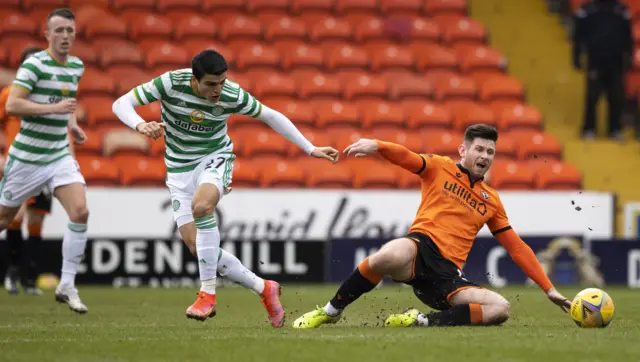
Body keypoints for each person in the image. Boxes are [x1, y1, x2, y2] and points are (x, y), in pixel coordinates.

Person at [111, 49, 339, 325]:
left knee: (202, 206)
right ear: (194, 80)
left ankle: (207, 295)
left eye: (221, 82)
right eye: (211, 84)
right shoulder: (170, 83)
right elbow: (121, 104)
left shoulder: (232, 94)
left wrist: (310, 148)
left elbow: (271, 116)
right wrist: (139, 124)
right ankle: (264, 288)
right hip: (178, 171)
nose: (218, 90)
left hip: (214, 158)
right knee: (198, 248)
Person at [292, 124, 572, 329]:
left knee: (500, 309)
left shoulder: (493, 201)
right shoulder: (440, 167)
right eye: (479, 149)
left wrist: (548, 289)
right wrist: (378, 145)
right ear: (464, 150)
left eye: (490, 151)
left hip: (447, 276)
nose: (485, 156)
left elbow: (517, 248)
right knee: (385, 257)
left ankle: (420, 321)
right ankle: (330, 311)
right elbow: (407, 157)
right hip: (419, 249)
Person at [3, 8, 90, 314]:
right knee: (4, 218)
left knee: (80, 211)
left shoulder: (76, 66)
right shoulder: (34, 64)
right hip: (27, 156)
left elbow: (68, 101)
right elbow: (13, 104)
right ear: (47, 34)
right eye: (60, 31)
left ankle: (67, 285)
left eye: (70, 31)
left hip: (58, 154)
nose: (65, 36)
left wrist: (73, 125)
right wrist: (52, 110)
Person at [1, 47, 51, 296]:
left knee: (36, 219)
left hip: (46, 163)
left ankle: (30, 277)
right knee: (14, 216)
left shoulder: (49, 96)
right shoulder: (9, 95)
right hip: (18, 163)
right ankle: (12, 272)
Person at [572, 0, 633, 140]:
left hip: (616, 61)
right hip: (595, 59)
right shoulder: (586, 11)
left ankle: (615, 129)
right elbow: (578, 36)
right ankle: (589, 129)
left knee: (616, 96)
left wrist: (629, 56)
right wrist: (576, 56)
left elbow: (628, 36)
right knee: (592, 96)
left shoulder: (621, 10)